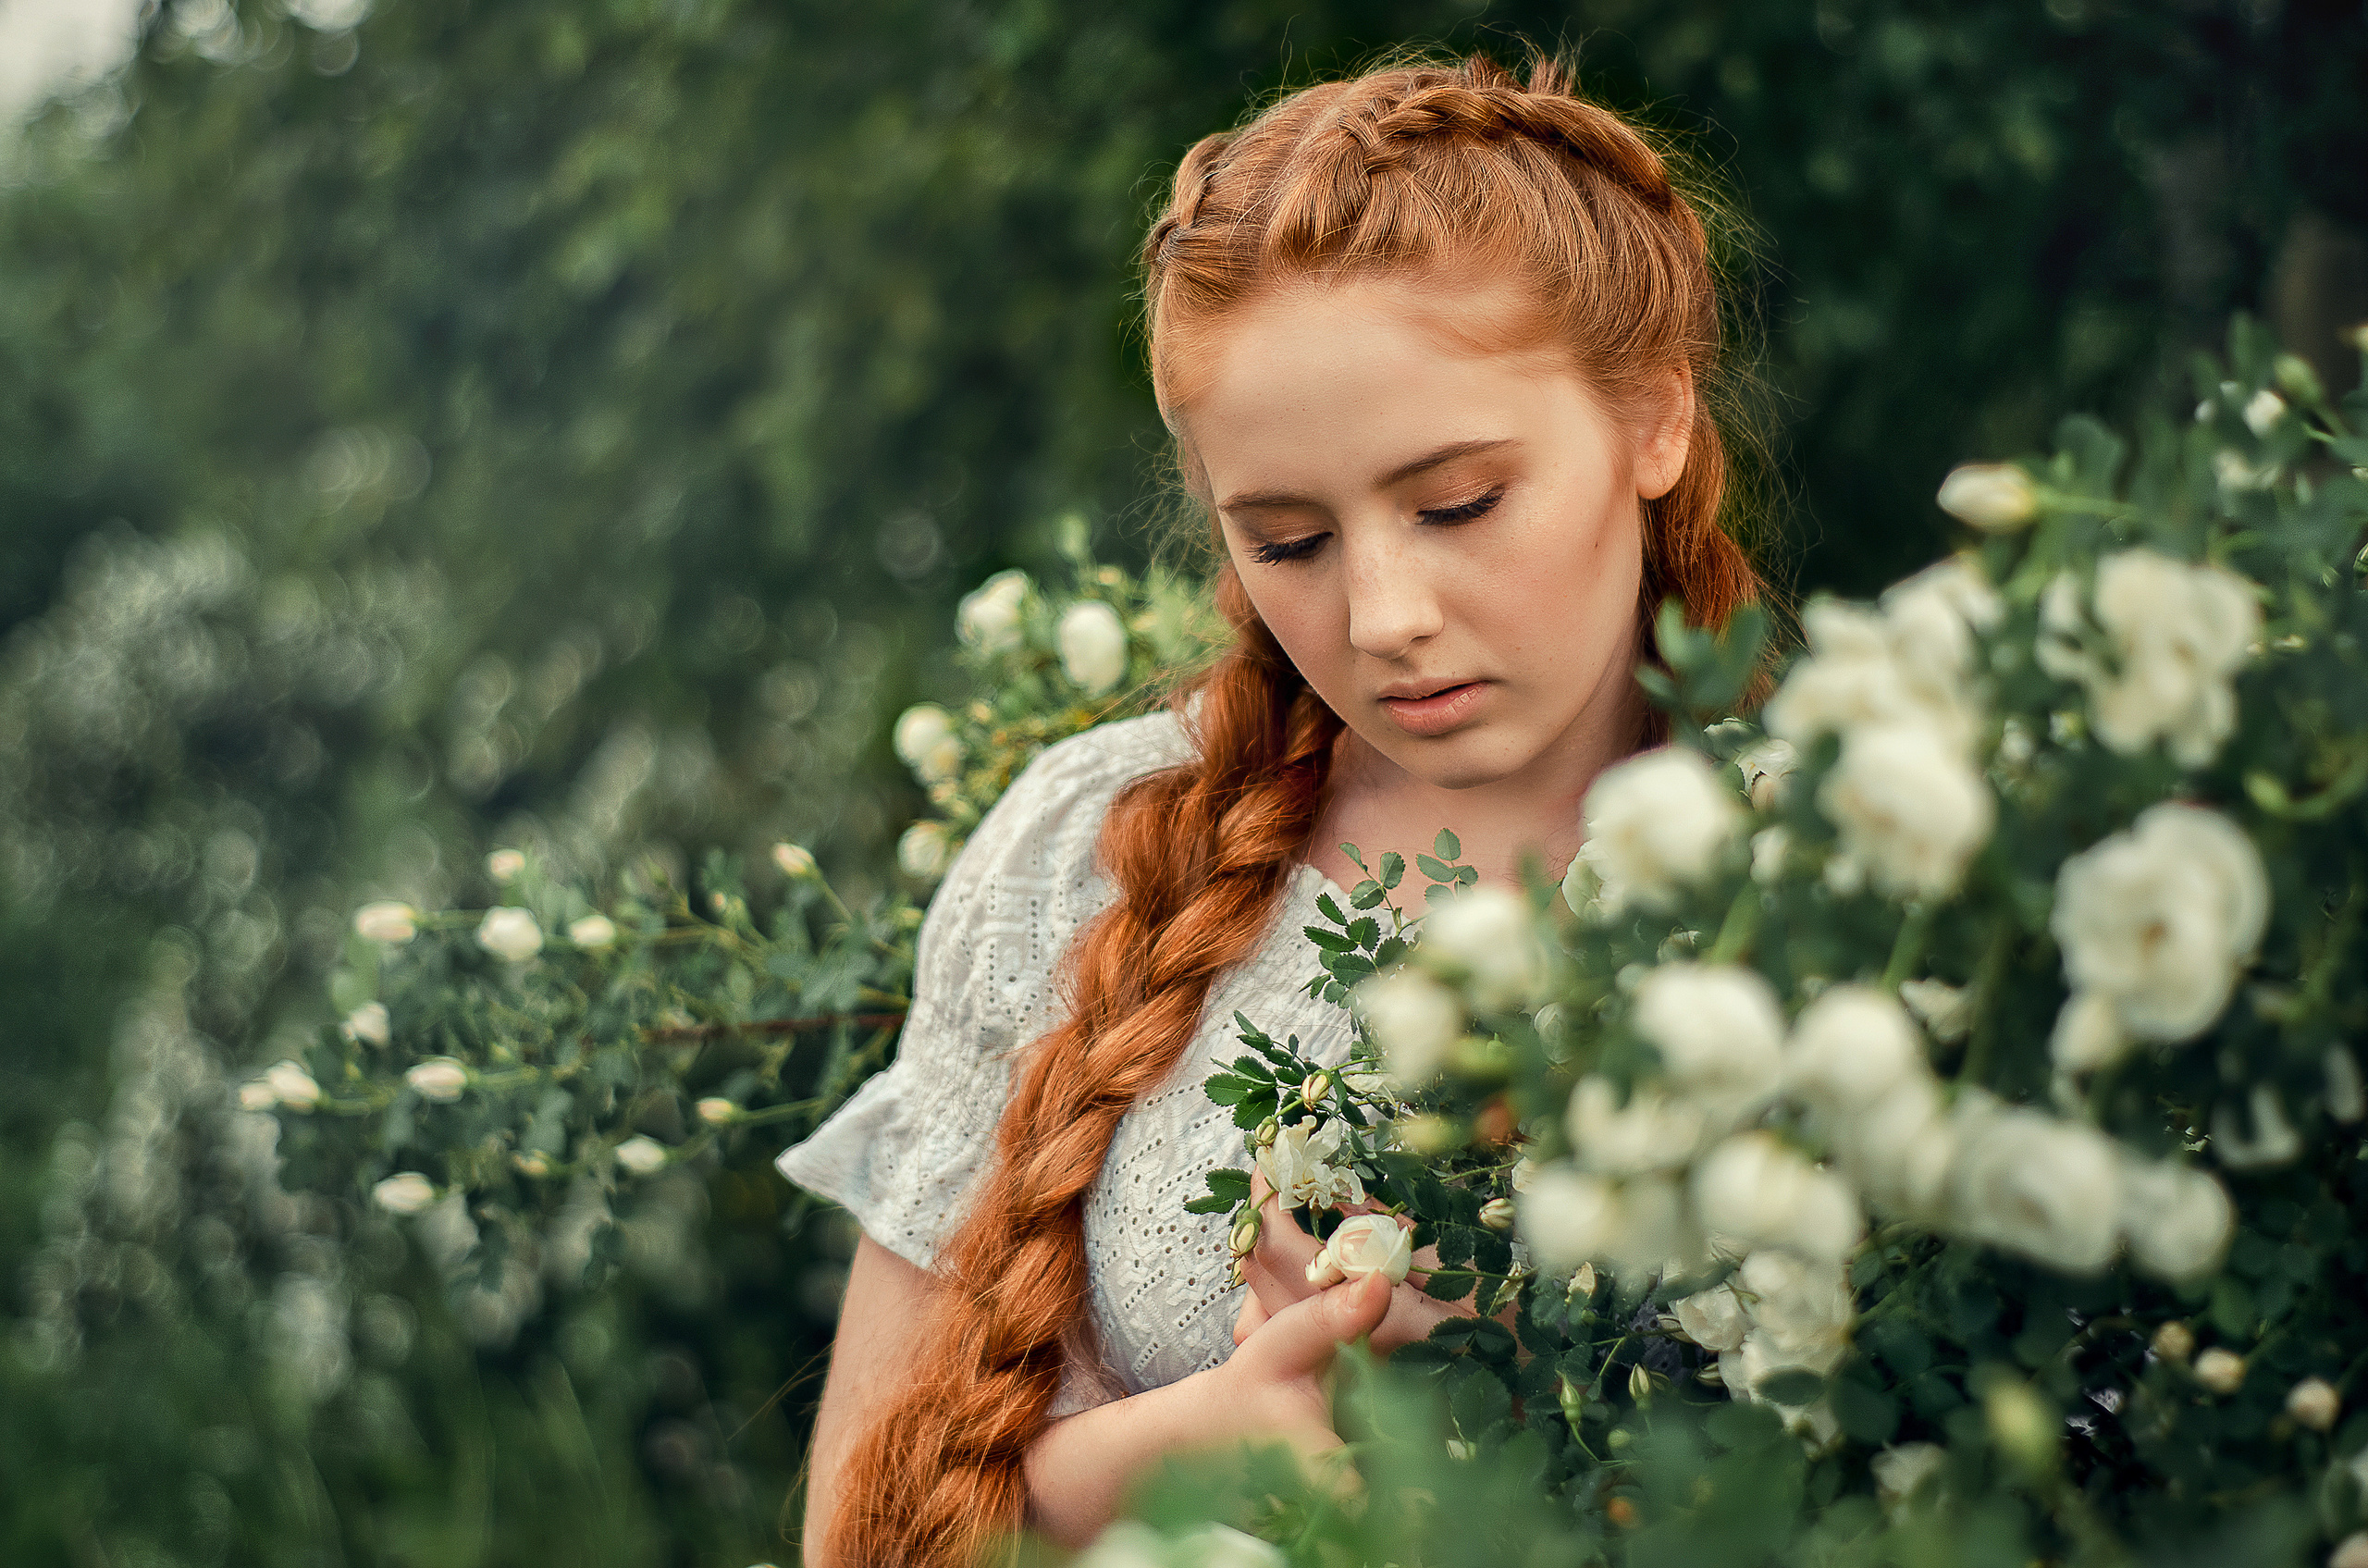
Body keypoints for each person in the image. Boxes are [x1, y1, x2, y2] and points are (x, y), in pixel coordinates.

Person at [782, 52, 1765, 1567]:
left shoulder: (1847, 882)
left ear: (1653, 420)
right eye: (1289, 537)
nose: (1385, 615)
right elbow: (860, 1532)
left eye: (1458, 504)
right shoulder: (1086, 852)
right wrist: (1171, 1457)